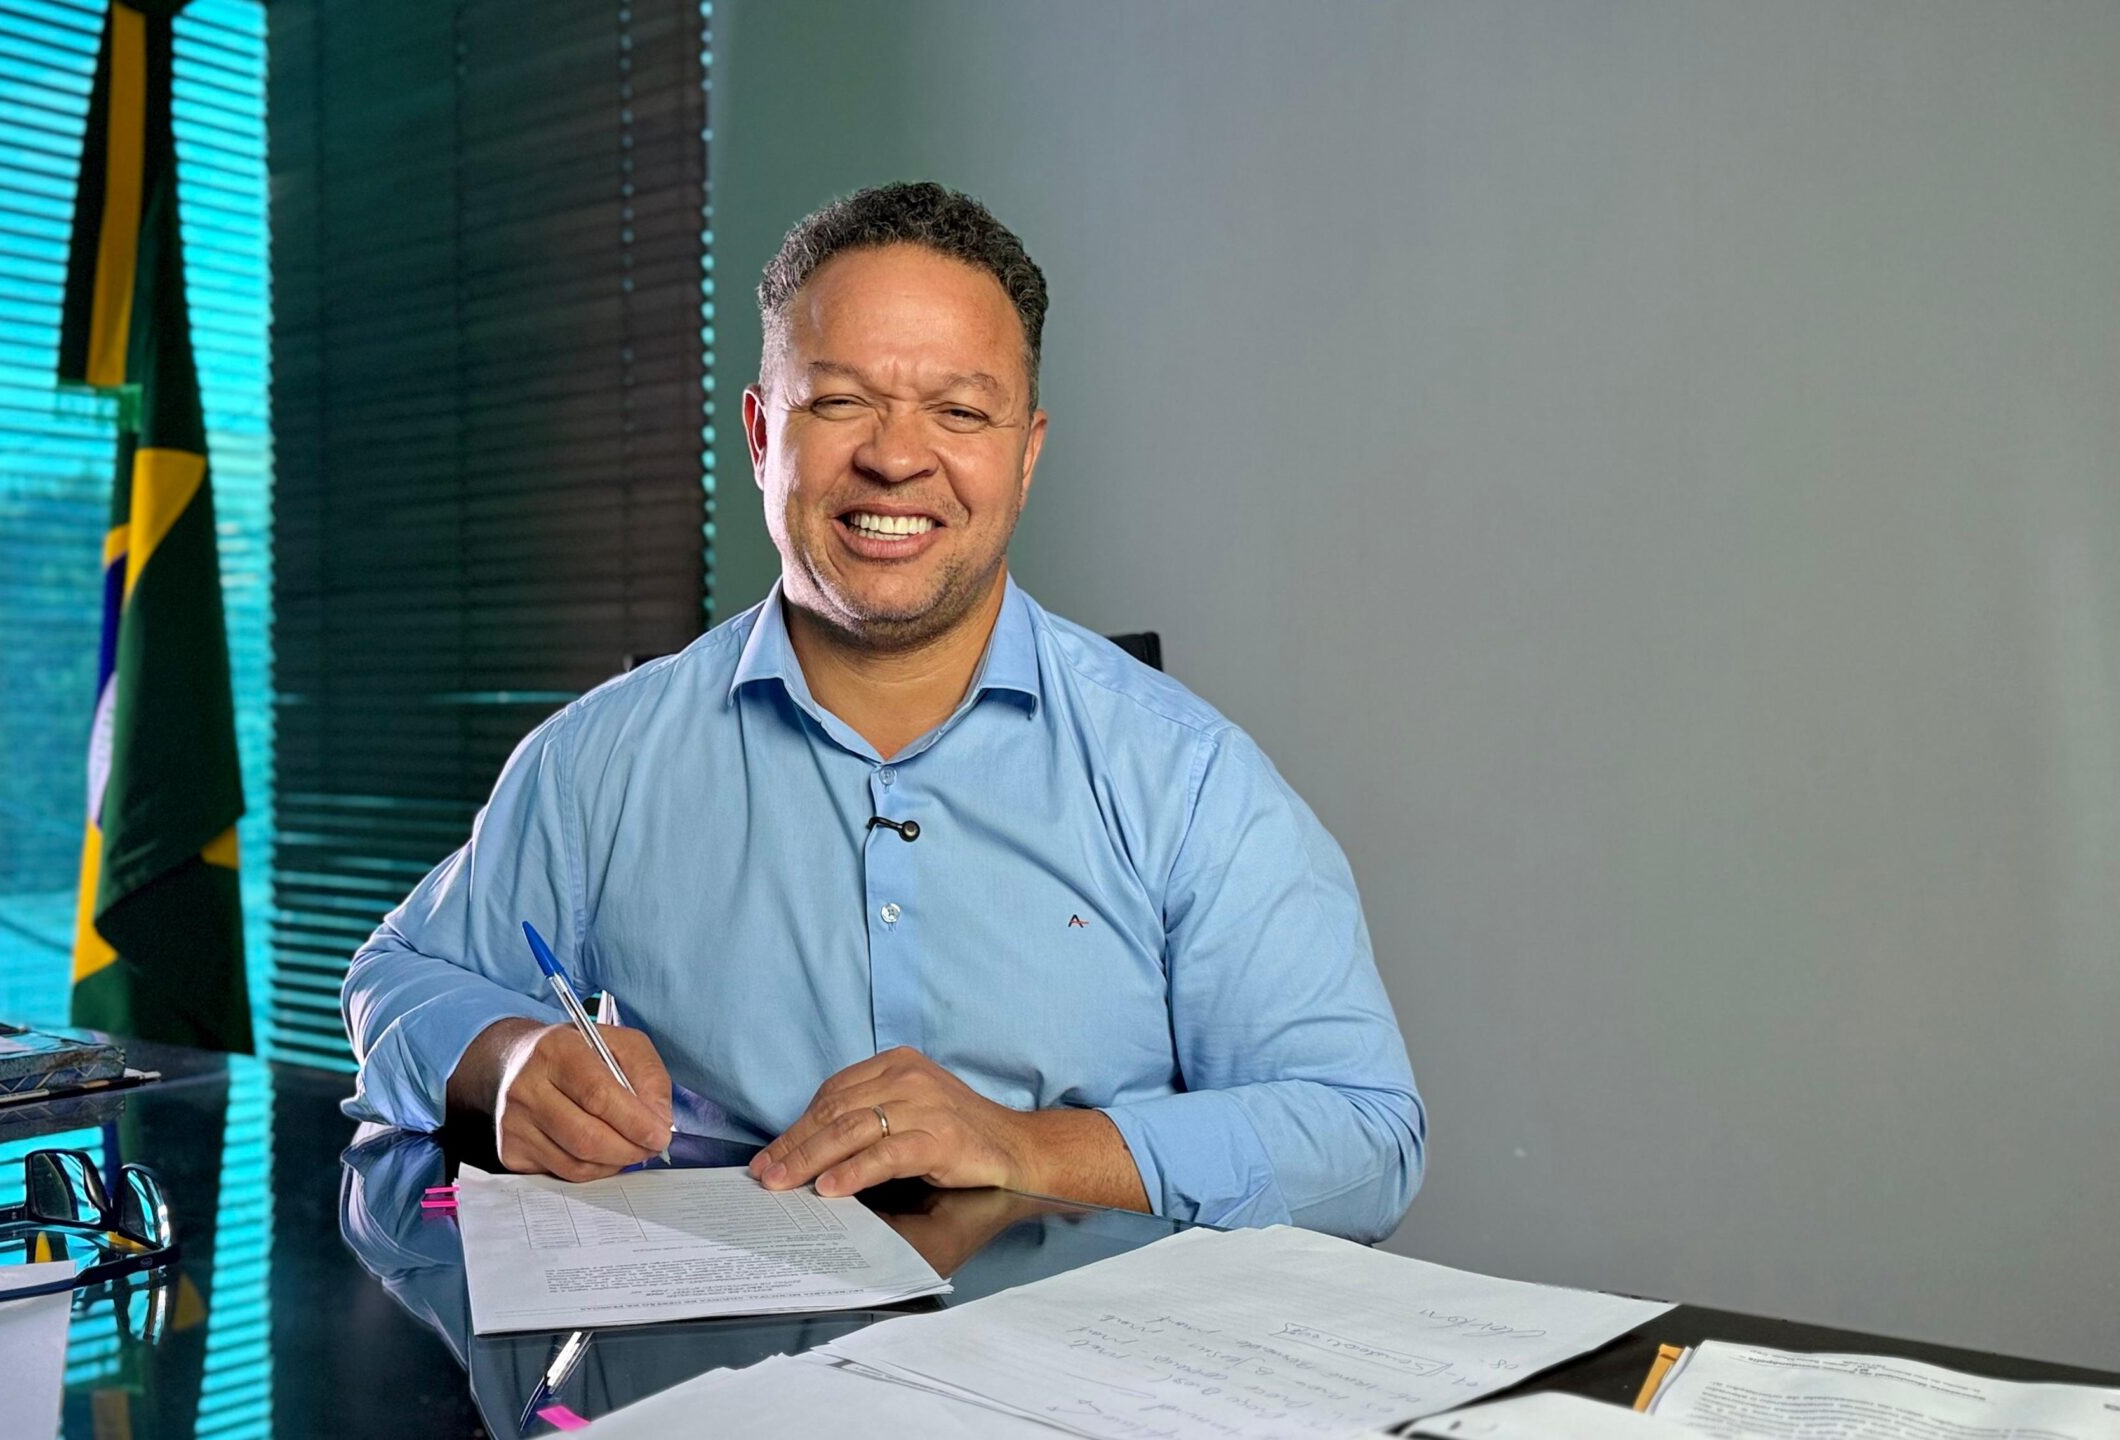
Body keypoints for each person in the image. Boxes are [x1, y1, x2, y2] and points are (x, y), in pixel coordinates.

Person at [341, 182, 1425, 1238]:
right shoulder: (600, 759)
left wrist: (1028, 1147)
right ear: (762, 436)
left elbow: (1365, 1140)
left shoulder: (1187, 776)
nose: (896, 458)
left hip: (1071, 1347)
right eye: (840, 401)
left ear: (1025, 455)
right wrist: (500, 1059)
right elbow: (396, 977)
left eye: (959, 412)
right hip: (717, 1343)